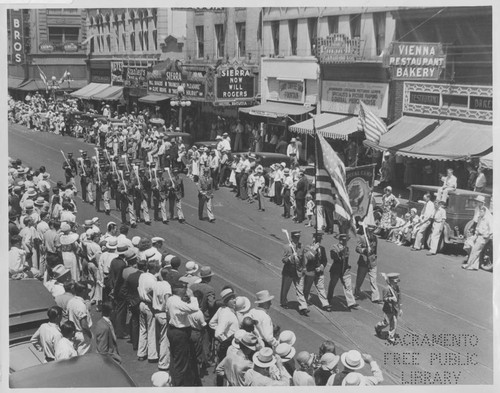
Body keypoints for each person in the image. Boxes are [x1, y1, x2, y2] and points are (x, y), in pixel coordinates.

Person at [166, 281, 202, 386]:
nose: (186, 290)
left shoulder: (171, 299)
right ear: (180, 290)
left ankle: (175, 380)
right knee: (181, 363)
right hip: (180, 332)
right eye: (185, 288)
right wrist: (193, 297)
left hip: (173, 330)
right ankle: (179, 386)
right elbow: (195, 308)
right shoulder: (177, 302)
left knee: (176, 358)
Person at [280, 230, 308, 315]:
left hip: (298, 271)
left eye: (298, 237)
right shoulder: (287, 247)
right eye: (296, 237)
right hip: (289, 271)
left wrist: (304, 268)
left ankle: (303, 307)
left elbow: (303, 258)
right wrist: (291, 257)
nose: (297, 239)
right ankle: (283, 302)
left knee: (300, 290)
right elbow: (283, 259)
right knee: (285, 288)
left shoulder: (301, 246)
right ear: (292, 238)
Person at [328, 234, 358, 310]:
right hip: (336, 269)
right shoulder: (334, 247)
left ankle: (351, 302)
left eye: (346, 240)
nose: (345, 242)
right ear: (340, 240)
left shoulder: (347, 248)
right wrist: (341, 252)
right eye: (344, 240)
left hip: (345, 270)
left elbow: (346, 259)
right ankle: (328, 299)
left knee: (348, 286)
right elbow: (334, 257)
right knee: (332, 285)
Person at [209, 286, 240, 362]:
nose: (235, 301)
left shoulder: (222, 309)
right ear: (226, 301)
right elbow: (218, 334)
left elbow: (212, 323)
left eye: (234, 298)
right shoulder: (226, 313)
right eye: (232, 299)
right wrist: (226, 340)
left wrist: (223, 329)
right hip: (229, 344)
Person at [302, 232, 331, 311]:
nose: (319, 241)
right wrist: (314, 248)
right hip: (310, 271)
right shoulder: (308, 247)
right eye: (317, 239)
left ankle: (325, 304)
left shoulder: (322, 249)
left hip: (319, 272)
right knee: (307, 288)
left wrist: (322, 267)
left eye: (320, 239)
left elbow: (324, 260)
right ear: (313, 238)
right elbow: (308, 257)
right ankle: (304, 301)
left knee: (321, 288)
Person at [354, 225, 381, 303]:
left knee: (373, 279)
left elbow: (375, 250)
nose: (371, 232)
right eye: (370, 231)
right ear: (367, 230)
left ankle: (375, 297)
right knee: (360, 279)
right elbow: (357, 248)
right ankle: (357, 291)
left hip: (372, 261)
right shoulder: (362, 238)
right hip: (364, 261)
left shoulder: (375, 238)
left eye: (373, 230)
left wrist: (375, 258)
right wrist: (364, 250)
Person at [66, 281, 93, 355]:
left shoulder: (71, 301)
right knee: (84, 357)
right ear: (83, 291)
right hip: (83, 334)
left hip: (75, 333)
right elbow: (84, 324)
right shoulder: (80, 305)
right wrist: (89, 335)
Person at [462, 205, 492, 270]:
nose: (480, 213)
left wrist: (486, 236)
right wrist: (475, 235)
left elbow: (491, 230)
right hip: (478, 236)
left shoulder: (487, 219)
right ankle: (474, 266)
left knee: (474, 251)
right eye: (480, 211)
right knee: (472, 248)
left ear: (484, 212)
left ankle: (468, 265)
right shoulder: (481, 219)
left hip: (483, 237)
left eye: (481, 212)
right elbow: (478, 228)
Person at [375, 273, 402, 344]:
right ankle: (377, 327)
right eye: (395, 281)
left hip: (395, 309)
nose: (397, 283)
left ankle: (391, 337)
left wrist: (400, 308)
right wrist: (391, 298)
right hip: (388, 309)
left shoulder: (397, 288)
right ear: (392, 281)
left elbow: (399, 298)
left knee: (394, 323)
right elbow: (384, 299)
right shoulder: (386, 289)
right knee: (386, 323)